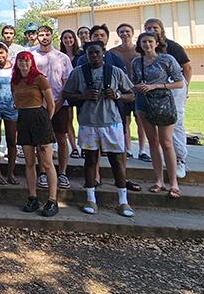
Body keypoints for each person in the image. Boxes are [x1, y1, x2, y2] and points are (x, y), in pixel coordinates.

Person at [62, 41, 136, 217]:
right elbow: (66, 94)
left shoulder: (115, 72)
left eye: (96, 52)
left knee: (116, 160)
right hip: (88, 123)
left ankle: (123, 200)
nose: (93, 56)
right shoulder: (78, 72)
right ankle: (90, 198)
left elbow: (131, 94)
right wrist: (82, 96)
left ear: (103, 52)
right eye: (90, 53)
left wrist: (118, 95)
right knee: (90, 160)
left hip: (112, 122)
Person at [130, 31, 184, 198]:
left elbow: (179, 82)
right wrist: (136, 87)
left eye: (150, 41)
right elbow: (133, 81)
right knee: (152, 142)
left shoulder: (167, 60)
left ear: (156, 43)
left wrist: (156, 86)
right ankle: (159, 180)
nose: (147, 44)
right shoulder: (136, 62)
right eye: (144, 42)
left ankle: (173, 181)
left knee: (166, 143)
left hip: (163, 103)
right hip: (143, 103)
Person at [12, 51, 59, 217]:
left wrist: (46, 121)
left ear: (31, 62)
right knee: (29, 161)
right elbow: (16, 102)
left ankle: (52, 199)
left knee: (46, 162)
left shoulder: (40, 79)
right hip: (24, 119)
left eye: (26, 61)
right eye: (20, 61)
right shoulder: (15, 81)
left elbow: (51, 104)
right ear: (17, 63)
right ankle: (33, 197)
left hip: (39, 117)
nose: (24, 64)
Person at [144, 18, 191, 178]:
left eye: (154, 27)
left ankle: (180, 159)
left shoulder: (173, 47)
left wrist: (185, 87)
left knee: (175, 122)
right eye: (148, 28)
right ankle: (164, 160)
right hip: (154, 93)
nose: (151, 30)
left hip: (174, 89)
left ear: (161, 29)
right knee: (157, 127)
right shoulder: (145, 49)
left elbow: (187, 67)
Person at [30, 25, 73, 191]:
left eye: (47, 34)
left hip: (60, 104)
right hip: (38, 105)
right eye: (41, 35)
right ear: (37, 37)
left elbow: (67, 82)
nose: (44, 37)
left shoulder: (62, 57)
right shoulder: (32, 56)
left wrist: (59, 102)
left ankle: (62, 172)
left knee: (61, 138)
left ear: (52, 36)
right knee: (41, 140)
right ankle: (42, 172)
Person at [110, 23, 149, 161]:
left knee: (140, 120)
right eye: (121, 31)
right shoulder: (113, 52)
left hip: (138, 90)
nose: (124, 34)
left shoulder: (139, 51)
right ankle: (127, 149)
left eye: (127, 31)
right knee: (124, 121)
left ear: (132, 33)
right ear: (118, 34)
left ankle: (142, 150)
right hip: (122, 91)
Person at [0, 43, 19, 185]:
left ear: (7, 52)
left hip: (12, 108)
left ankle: (11, 173)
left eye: (1, 53)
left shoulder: (15, 69)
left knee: (12, 141)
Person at [60, 29, 82, 159]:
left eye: (70, 37)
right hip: (67, 92)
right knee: (68, 121)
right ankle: (74, 147)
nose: (68, 40)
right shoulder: (59, 55)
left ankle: (84, 147)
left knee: (81, 120)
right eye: (65, 38)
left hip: (79, 92)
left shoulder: (81, 55)